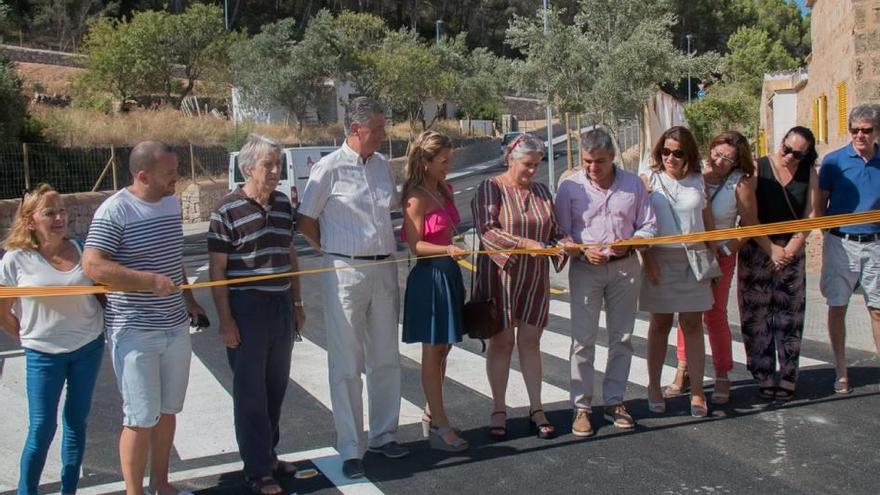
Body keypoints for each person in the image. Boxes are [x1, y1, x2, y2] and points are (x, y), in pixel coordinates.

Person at [82, 141, 206, 495]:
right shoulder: (115, 211)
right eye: (170, 173)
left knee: (167, 411)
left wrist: (189, 299)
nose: (177, 178)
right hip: (134, 331)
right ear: (142, 175)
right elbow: (93, 265)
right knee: (139, 418)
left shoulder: (169, 203)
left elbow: (173, 256)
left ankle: (161, 484)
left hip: (175, 327)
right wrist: (148, 282)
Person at [297, 97, 407, 479]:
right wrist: (330, 250)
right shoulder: (328, 168)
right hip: (345, 270)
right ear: (356, 129)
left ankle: (384, 434)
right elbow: (306, 219)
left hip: (384, 269)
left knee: (386, 356)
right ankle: (350, 446)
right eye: (377, 128)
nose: (383, 134)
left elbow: (391, 208)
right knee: (347, 363)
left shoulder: (380, 165)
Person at [208, 135, 305, 495]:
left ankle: (269, 454)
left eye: (278, 164)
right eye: (269, 165)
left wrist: (297, 304)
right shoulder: (226, 210)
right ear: (248, 168)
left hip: (280, 306)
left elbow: (291, 255)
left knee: (275, 388)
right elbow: (216, 270)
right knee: (250, 393)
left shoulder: (282, 204)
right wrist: (226, 320)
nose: (276, 171)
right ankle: (256, 470)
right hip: (246, 308)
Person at [0, 184, 104, 495]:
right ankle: (26, 491)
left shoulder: (82, 248)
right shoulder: (15, 260)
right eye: (50, 212)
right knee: (42, 428)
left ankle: (69, 490)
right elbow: (3, 312)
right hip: (43, 355)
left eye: (61, 210)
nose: (59, 217)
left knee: (76, 422)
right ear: (30, 220)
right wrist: (30, 338)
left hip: (88, 347)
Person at [555, 128, 657, 436]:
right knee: (582, 340)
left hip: (625, 268)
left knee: (622, 337)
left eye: (599, 161)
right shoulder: (569, 186)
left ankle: (615, 401)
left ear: (612, 156)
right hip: (585, 270)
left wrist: (633, 242)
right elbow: (559, 234)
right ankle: (582, 407)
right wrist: (582, 252)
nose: (592, 168)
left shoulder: (633, 185)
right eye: (587, 161)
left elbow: (649, 225)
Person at [472, 134, 567, 440]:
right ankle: (499, 409)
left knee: (530, 342)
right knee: (502, 343)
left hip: (534, 278)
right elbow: (487, 231)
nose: (532, 171)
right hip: (501, 277)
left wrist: (563, 244)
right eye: (528, 164)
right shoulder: (491, 188)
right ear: (510, 159)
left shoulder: (542, 191)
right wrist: (527, 243)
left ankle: (536, 408)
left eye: (537, 165)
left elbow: (554, 231)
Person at [665, 131, 757, 405]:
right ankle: (684, 369)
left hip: (722, 255)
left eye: (727, 157)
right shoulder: (696, 177)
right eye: (716, 153)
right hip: (692, 253)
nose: (719, 161)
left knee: (715, 315)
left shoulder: (739, 184)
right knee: (687, 312)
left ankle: (722, 374)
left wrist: (726, 251)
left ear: (737, 161)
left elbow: (750, 227)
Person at [738, 126, 819, 401]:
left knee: (789, 315)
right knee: (756, 314)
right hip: (759, 247)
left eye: (798, 154)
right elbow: (749, 215)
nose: (790, 156)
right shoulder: (759, 167)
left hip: (792, 250)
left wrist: (791, 250)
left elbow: (811, 215)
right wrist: (771, 249)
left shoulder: (809, 173)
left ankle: (787, 374)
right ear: (781, 141)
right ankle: (762, 374)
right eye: (787, 149)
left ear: (806, 155)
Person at [400, 130, 470, 451]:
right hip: (430, 278)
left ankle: (432, 413)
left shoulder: (445, 189)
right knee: (433, 349)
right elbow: (415, 245)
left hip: (449, 274)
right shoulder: (415, 196)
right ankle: (440, 423)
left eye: (450, 160)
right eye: (444, 161)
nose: (448, 166)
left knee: (445, 347)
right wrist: (446, 251)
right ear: (426, 161)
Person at [640, 126, 714, 417]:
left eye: (677, 152)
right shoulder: (650, 180)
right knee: (659, 326)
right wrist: (648, 262)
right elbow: (641, 223)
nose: (670, 157)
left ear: (689, 155)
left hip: (694, 259)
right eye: (665, 151)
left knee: (693, 327)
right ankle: (654, 387)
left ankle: (697, 392)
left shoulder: (699, 181)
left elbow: (707, 224)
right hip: (660, 259)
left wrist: (714, 259)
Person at [817, 104, 880, 394]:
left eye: (866, 131)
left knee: (878, 309)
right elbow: (821, 204)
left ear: (876, 131)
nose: (859, 136)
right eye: (854, 130)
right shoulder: (833, 161)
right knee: (837, 306)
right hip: (841, 242)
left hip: (876, 244)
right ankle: (841, 371)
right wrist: (827, 231)